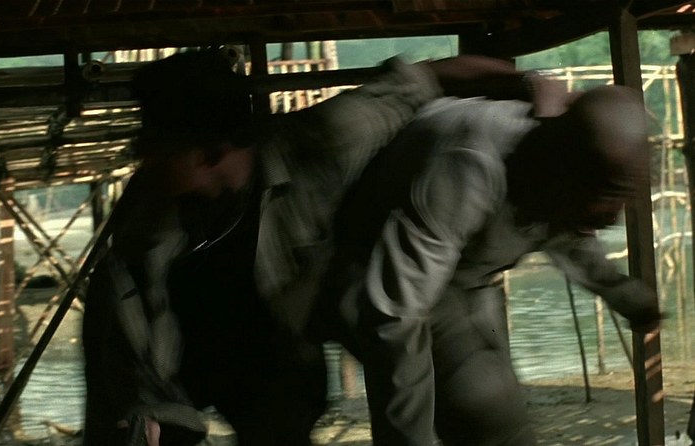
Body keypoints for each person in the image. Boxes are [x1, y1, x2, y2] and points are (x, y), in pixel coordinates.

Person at [82, 47, 566, 446]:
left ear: (210, 153)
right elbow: (124, 333)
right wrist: (143, 412)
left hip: (280, 351)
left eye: (158, 149)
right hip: (188, 353)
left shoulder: (319, 143)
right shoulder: (146, 213)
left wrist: (532, 86)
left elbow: (429, 78)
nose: (143, 161)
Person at [318, 84, 663, 445]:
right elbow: (396, 314)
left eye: (621, 197)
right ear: (565, 168)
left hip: (455, 279)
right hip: (367, 270)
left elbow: (569, 234)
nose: (612, 217)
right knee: (484, 406)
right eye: (606, 195)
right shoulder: (471, 165)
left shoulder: (554, 168)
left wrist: (622, 292)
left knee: (491, 409)